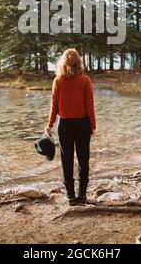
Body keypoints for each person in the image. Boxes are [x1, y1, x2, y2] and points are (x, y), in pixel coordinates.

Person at [45, 48, 97, 206]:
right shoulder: (85, 80)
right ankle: (82, 195)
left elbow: (53, 106)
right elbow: (90, 106)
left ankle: (70, 196)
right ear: (79, 62)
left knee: (66, 160)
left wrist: (49, 125)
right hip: (82, 124)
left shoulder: (58, 81)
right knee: (83, 159)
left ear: (63, 62)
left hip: (65, 125)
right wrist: (93, 126)